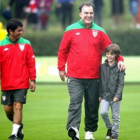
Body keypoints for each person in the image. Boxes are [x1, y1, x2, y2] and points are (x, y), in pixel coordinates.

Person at [57, 2, 125, 140]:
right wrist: (61, 68)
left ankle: (89, 132)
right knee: (75, 103)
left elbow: (111, 49)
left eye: (91, 13)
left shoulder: (100, 31)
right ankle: (74, 129)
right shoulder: (70, 30)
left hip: (95, 77)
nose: (89, 15)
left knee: (92, 105)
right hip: (75, 76)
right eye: (86, 13)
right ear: (80, 14)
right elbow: (63, 51)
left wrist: (121, 60)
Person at [0, 19, 36, 140]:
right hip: (6, 83)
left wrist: (33, 79)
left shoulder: (26, 43)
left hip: (22, 82)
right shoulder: (1, 44)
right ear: (10, 31)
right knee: (8, 109)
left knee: (18, 107)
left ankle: (14, 134)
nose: (21, 32)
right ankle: (18, 125)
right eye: (19, 30)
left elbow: (31, 63)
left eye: (22, 30)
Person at [99, 44, 125, 140]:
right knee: (103, 113)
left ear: (116, 55)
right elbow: (100, 82)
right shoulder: (102, 67)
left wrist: (117, 95)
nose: (109, 56)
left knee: (115, 117)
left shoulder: (120, 67)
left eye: (112, 54)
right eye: (107, 53)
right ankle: (110, 127)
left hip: (115, 98)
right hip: (105, 96)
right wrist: (99, 95)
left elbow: (121, 83)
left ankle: (114, 135)